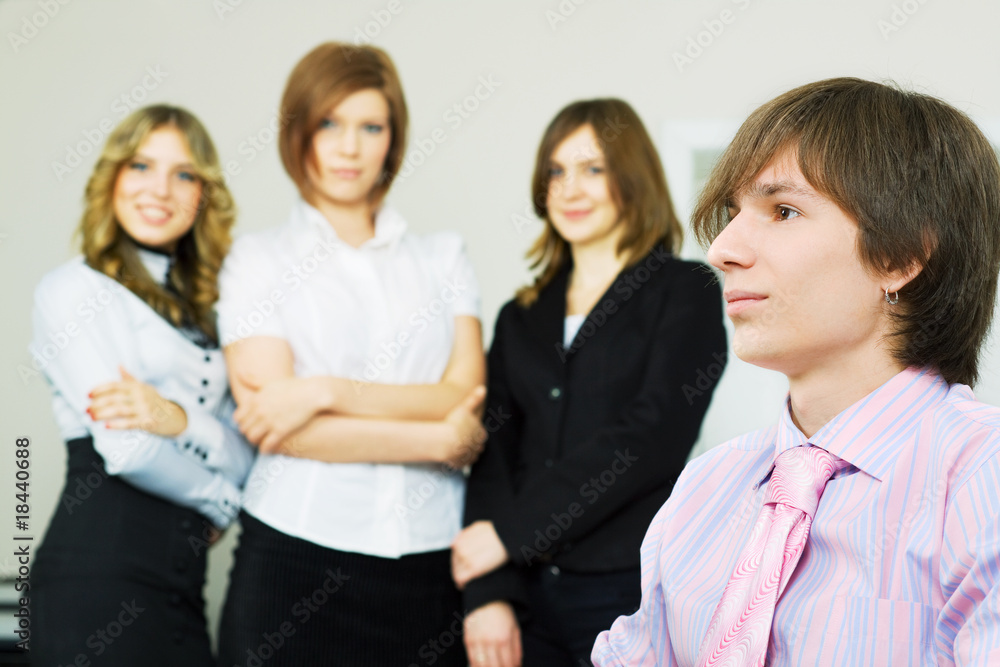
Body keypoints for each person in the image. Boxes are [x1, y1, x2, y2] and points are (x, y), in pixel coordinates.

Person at [593, 77, 1000, 666]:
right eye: (732, 213)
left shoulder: (981, 480)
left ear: (902, 256)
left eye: (782, 211)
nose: (722, 249)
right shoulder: (704, 490)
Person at [214, 42, 486, 666]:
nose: (349, 147)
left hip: (427, 565)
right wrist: (436, 443)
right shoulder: (257, 260)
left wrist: (322, 390)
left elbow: (461, 393)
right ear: (299, 133)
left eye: (371, 126)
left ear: (393, 139)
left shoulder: (443, 256)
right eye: (329, 124)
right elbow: (279, 429)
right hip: (293, 555)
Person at [452, 98, 728, 667]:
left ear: (631, 176)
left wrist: (512, 532)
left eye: (592, 169)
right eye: (556, 172)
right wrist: (488, 592)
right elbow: (492, 452)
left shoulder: (685, 291)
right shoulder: (519, 316)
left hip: (626, 589)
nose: (570, 189)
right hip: (521, 597)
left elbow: (653, 436)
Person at [28, 105, 254, 666]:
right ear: (112, 179)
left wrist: (175, 418)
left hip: (182, 586)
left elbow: (249, 448)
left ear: (204, 194)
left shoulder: (213, 309)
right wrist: (224, 501)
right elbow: (128, 449)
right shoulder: (75, 291)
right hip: (97, 584)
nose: (161, 189)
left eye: (184, 174)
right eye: (141, 166)